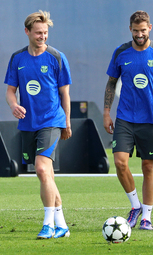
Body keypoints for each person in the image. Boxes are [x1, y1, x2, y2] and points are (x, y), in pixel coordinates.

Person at [103, 10, 153, 231]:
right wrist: (107, 112)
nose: (139, 34)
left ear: (150, 28)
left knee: (148, 167)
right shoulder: (121, 52)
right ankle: (135, 206)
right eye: (136, 31)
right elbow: (110, 84)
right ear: (130, 30)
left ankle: (147, 216)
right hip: (125, 118)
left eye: (143, 30)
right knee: (119, 163)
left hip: (152, 120)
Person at [5, 10, 72, 239]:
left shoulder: (57, 57)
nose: (43, 36)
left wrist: (67, 123)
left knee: (42, 168)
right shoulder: (17, 59)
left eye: (45, 32)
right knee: (46, 175)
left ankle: (48, 224)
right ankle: (62, 224)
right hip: (28, 123)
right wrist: (14, 105)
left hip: (52, 120)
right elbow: (10, 92)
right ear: (27, 32)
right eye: (38, 33)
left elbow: (65, 95)